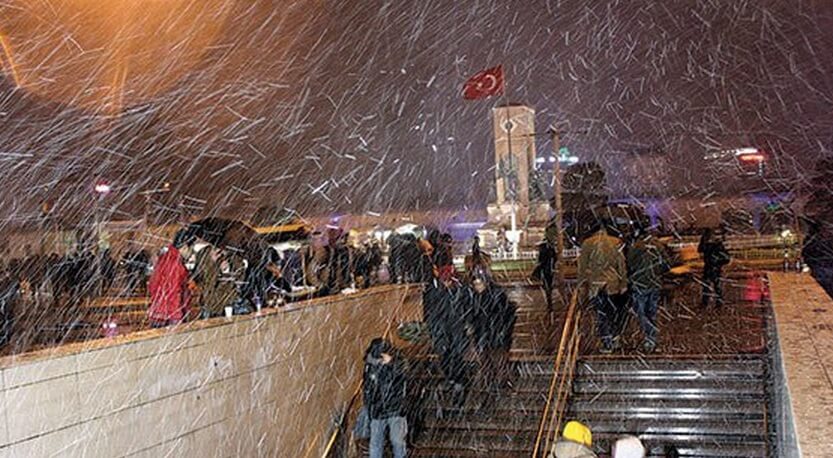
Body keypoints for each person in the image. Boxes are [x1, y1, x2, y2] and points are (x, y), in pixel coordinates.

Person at [578, 220, 628, 353]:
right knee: (614, 312)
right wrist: (623, 283)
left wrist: (581, 285)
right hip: (613, 284)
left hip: (596, 285)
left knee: (601, 315)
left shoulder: (587, 243)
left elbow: (582, 267)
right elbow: (621, 264)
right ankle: (616, 337)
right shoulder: (616, 242)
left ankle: (606, 342)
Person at [422, 268, 469, 399]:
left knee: (456, 356)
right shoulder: (433, 291)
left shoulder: (459, 289)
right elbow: (429, 312)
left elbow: (465, 308)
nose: (447, 283)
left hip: (454, 330)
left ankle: (458, 382)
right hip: (441, 331)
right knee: (445, 357)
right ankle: (452, 379)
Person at [467, 269, 516, 393]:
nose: (478, 287)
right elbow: (473, 316)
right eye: (475, 284)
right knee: (486, 363)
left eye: (480, 284)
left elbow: (507, 315)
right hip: (483, 336)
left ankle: (503, 385)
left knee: (499, 362)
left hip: (496, 336)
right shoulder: (475, 297)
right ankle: (490, 386)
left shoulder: (496, 295)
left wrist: (502, 332)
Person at [626, 227, 670, 353]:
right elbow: (667, 264)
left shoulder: (636, 246)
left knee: (641, 313)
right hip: (654, 284)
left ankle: (650, 338)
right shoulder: (658, 246)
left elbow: (629, 264)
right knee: (652, 312)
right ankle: (651, 338)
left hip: (640, 284)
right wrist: (656, 273)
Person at [363, 338, 408, 458]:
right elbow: (367, 388)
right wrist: (369, 406)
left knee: (397, 441)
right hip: (378, 409)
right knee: (376, 443)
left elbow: (403, 373)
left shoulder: (397, 362)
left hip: (395, 409)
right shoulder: (370, 366)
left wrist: (391, 363)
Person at [147, 230, 195, 327]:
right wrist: (176, 317)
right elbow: (173, 291)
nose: (192, 253)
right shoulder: (175, 262)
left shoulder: (165, 258)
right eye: (191, 249)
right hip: (169, 316)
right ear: (185, 247)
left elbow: (153, 285)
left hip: (159, 314)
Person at [193, 246, 236, 318]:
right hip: (210, 306)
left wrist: (225, 273)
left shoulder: (219, 262)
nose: (220, 255)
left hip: (214, 305)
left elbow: (225, 289)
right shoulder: (205, 260)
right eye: (218, 253)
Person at [698, 228, 730, 308]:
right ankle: (710, 303)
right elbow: (700, 249)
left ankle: (714, 303)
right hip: (710, 267)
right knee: (710, 286)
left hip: (713, 267)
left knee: (713, 286)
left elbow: (726, 258)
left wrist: (717, 262)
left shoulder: (717, 245)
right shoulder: (711, 245)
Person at [533, 239, 557, 311]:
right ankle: (549, 294)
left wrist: (538, 264)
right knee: (549, 283)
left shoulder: (543, 251)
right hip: (550, 270)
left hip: (545, 270)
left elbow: (541, 261)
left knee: (546, 284)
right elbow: (555, 258)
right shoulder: (551, 250)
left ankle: (548, 297)